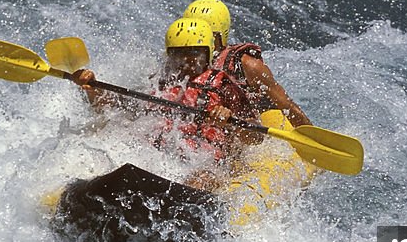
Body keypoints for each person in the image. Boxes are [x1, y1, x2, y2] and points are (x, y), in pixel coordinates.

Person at [69, 18, 262, 188]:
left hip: (209, 163)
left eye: (195, 52)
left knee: (202, 179)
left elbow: (256, 136)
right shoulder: (159, 82)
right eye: (179, 53)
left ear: (208, 53)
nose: (187, 60)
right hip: (163, 157)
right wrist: (93, 89)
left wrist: (230, 119)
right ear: (169, 55)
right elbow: (117, 108)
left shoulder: (223, 85)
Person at [183, 0, 312, 127]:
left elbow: (286, 105)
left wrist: (313, 138)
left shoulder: (247, 64)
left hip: (255, 122)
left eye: (208, 35)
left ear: (222, 36)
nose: (200, 41)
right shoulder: (182, 61)